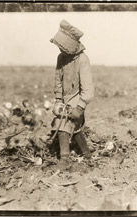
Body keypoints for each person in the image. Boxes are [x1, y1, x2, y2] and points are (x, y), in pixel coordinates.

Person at [50, 20, 94, 168]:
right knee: (75, 129)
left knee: (63, 124)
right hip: (65, 98)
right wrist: (58, 99)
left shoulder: (82, 59)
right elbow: (58, 79)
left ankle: (65, 159)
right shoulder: (61, 58)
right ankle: (87, 155)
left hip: (77, 98)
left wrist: (80, 107)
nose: (61, 50)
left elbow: (87, 87)